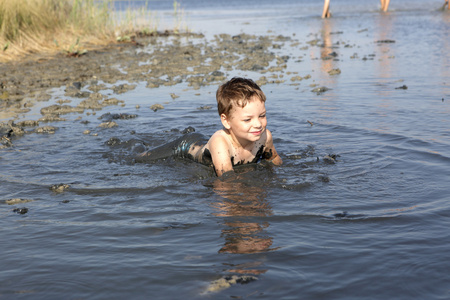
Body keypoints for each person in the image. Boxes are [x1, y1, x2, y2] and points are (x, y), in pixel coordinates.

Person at [135, 77, 282, 176]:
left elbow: (274, 161)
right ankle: (137, 145)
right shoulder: (222, 142)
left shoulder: (264, 137)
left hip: (204, 142)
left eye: (262, 116)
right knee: (140, 158)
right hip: (186, 146)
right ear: (226, 121)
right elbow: (227, 180)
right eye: (247, 119)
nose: (258, 124)